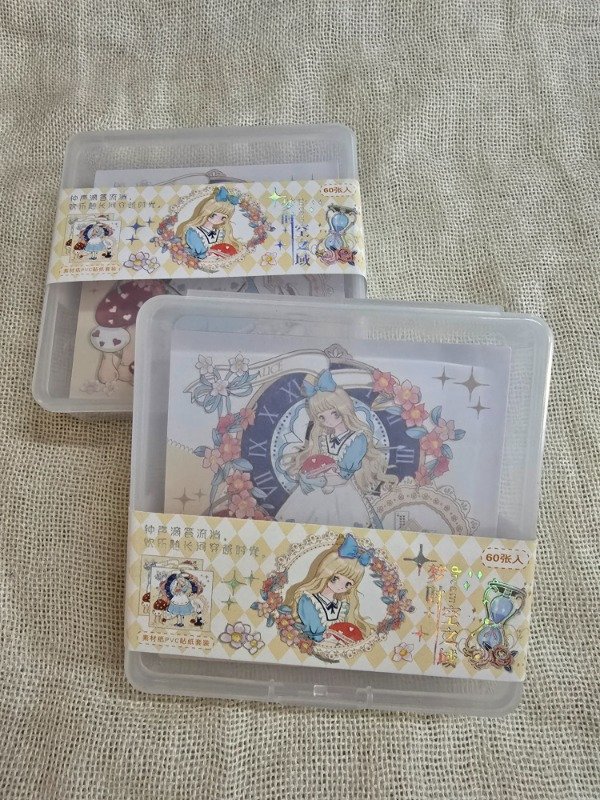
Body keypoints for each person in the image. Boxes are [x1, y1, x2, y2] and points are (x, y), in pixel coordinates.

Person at [276, 370, 396, 527]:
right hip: (317, 491)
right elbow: (314, 464)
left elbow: (343, 477)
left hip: (342, 493)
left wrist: (319, 481)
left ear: (344, 409)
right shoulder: (323, 437)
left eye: (335, 413)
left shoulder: (357, 440)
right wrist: (306, 476)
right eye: (322, 417)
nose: (329, 421)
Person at [283, 533, 372, 643]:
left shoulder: (343, 606)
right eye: (336, 578)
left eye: (348, 584)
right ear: (326, 572)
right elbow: (314, 632)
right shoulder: (308, 600)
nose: (340, 586)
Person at [175, 186, 241, 259]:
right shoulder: (193, 232)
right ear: (206, 212)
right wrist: (213, 253)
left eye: (223, 218)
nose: (217, 219)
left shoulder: (220, 232)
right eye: (214, 215)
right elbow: (200, 253)